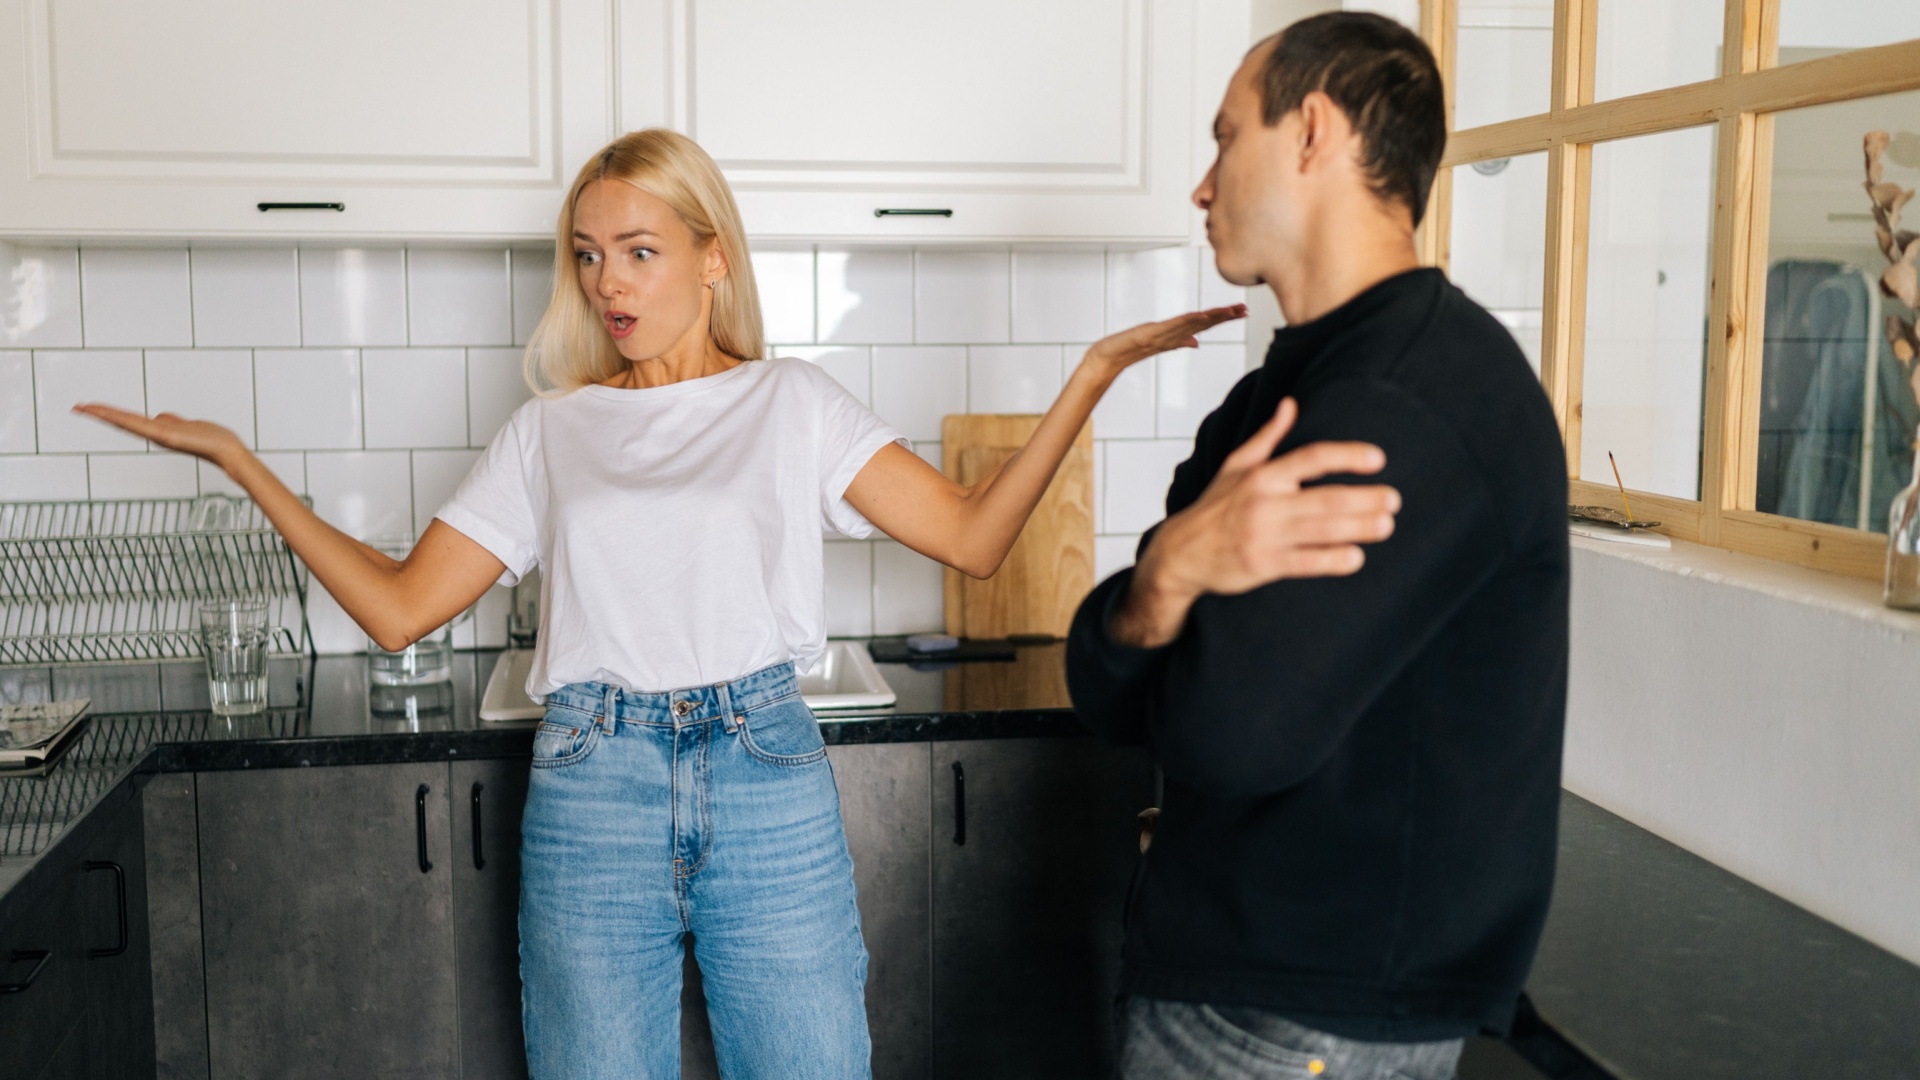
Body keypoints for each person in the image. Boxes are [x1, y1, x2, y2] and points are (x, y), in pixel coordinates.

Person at [76, 128, 1243, 1078]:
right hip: (595, 783)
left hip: (766, 770)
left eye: (637, 251)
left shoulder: (791, 402)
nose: (608, 284)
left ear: (711, 257)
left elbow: (976, 537)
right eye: (587, 256)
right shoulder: (552, 429)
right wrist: (244, 463)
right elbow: (396, 610)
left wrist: (1088, 376)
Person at [1065, 13, 1570, 1080]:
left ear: (1311, 131)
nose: (1202, 186)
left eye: (1223, 138)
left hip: (1300, 1025)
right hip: (1246, 993)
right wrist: (1165, 581)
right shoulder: (1281, 393)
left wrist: (1157, 617)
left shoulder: (1406, 402)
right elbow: (1103, 685)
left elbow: (1225, 735)